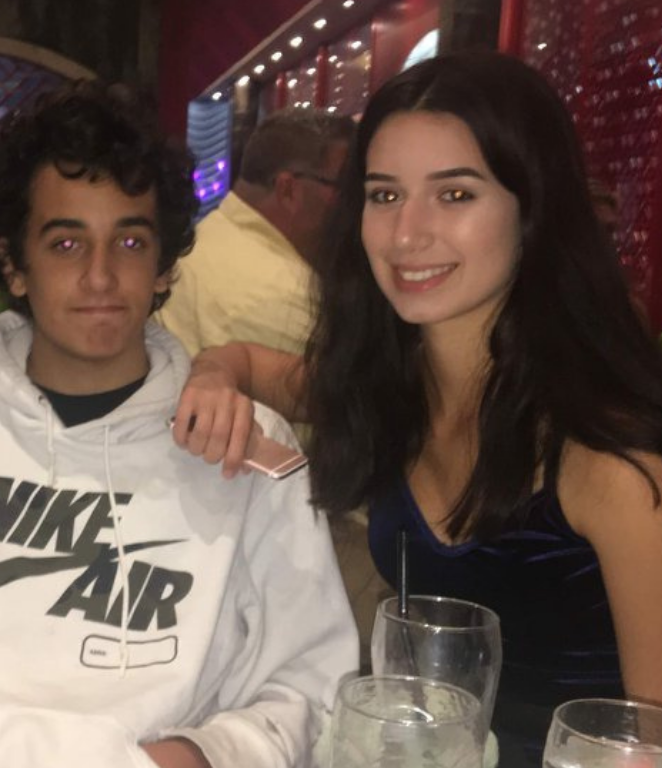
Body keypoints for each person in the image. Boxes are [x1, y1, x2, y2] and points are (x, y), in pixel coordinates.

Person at [0, 81, 357, 768]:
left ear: (162, 267)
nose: (100, 277)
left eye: (129, 240)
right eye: (66, 244)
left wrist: (185, 760)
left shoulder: (248, 444)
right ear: (14, 264)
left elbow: (312, 684)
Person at [172, 51, 662, 767]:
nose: (406, 234)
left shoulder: (610, 457)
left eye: (455, 195)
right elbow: (247, 361)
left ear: (534, 208)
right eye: (384, 194)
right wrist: (214, 375)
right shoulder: (389, 390)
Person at [158, 111, 353, 358]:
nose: (358, 204)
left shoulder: (212, 233)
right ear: (288, 190)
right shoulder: (284, 299)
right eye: (347, 187)